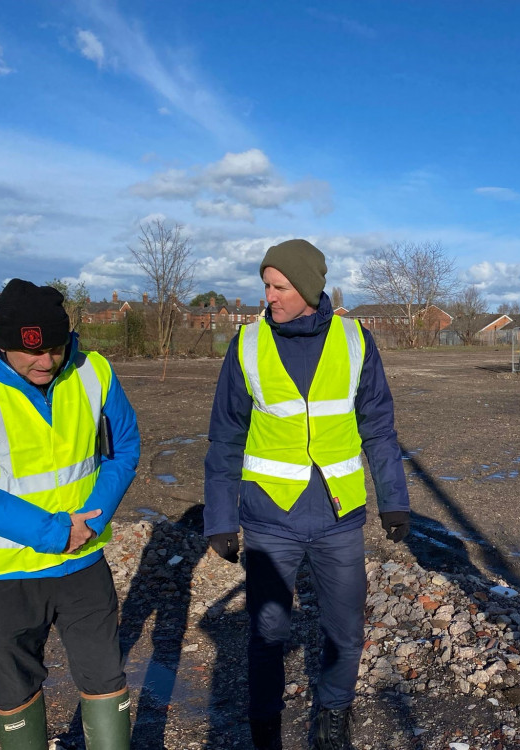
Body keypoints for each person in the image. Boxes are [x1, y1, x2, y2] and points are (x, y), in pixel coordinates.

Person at [204, 239, 410, 750]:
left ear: (309, 288)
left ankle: (333, 715)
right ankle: (265, 728)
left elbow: (378, 427)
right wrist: (220, 517)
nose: (269, 296)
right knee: (268, 633)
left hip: (339, 516)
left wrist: (394, 499)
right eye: (266, 286)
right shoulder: (248, 344)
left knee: (345, 629)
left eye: (280, 286)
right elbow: (226, 434)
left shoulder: (355, 340)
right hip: (271, 516)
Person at [0, 279, 140, 750]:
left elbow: (122, 451)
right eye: (33, 351)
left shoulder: (93, 372)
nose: (46, 361)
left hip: (82, 565)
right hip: (3, 577)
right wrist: (55, 531)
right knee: (15, 688)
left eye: (56, 348)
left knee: (105, 676)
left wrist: (90, 520)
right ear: (2, 343)